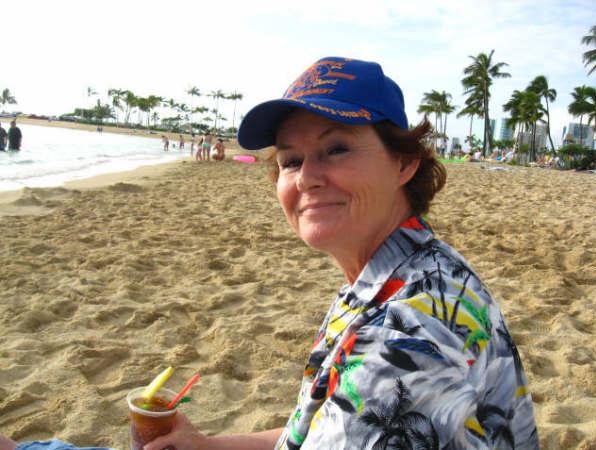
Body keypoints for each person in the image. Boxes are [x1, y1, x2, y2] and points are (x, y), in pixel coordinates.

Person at [1, 57, 539, 450]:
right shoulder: (406, 270)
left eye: (337, 148)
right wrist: (208, 448)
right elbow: (329, 428)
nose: (307, 177)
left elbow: (376, 399)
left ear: (404, 163)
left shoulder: (406, 341)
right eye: (289, 159)